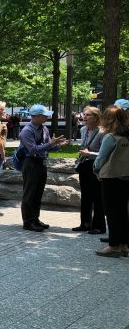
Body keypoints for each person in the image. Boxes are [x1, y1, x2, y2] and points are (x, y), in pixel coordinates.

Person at [19, 104, 68, 231]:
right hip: (31, 162)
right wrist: (51, 143)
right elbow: (33, 149)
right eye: (45, 115)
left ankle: (35, 219)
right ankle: (28, 222)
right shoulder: (27, 131)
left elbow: (47, 146)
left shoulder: (44, 129)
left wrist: (58, 145)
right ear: (37, 116)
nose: (47, 117)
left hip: (41, 162)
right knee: (30, 192)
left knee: (38, 192)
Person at [92, 105, 129, 257]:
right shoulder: (127, 136)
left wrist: (95, 169)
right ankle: (124, 244)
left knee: (112, 212)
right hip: (126, 177)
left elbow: (101, 159)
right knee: (123, 211)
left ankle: (113, 245)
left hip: (111, 177)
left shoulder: (110, 137)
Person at [73, 106, 105, 234]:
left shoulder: (103, 132)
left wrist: (89, 153)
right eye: (84, 114)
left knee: (97, 197)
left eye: (88, 115)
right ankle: (85, 223)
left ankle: (99, 226)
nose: (84, 117)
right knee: (85, 195)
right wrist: (82, 152)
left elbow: (104, 153)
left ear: (96, 117)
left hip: (96, 166)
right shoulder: (83, 130)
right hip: (85, 166)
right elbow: (84, 146)